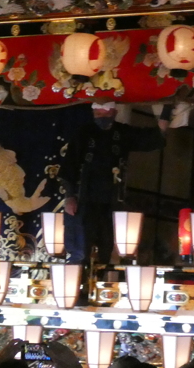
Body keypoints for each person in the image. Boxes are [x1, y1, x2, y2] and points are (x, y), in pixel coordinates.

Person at [63, 102, 169, 264]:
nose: (103, 117)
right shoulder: (84, 133)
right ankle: (77, 284)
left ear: (114, 112)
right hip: (85, 198)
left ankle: (101, 280)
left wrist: (167, 109)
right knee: (80, 250)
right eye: (99, 114)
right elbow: (69, 166)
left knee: (106, 247)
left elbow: (155, 137)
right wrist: (69, 196)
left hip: (112, 199)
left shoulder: (122, 132)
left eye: (106, 113)